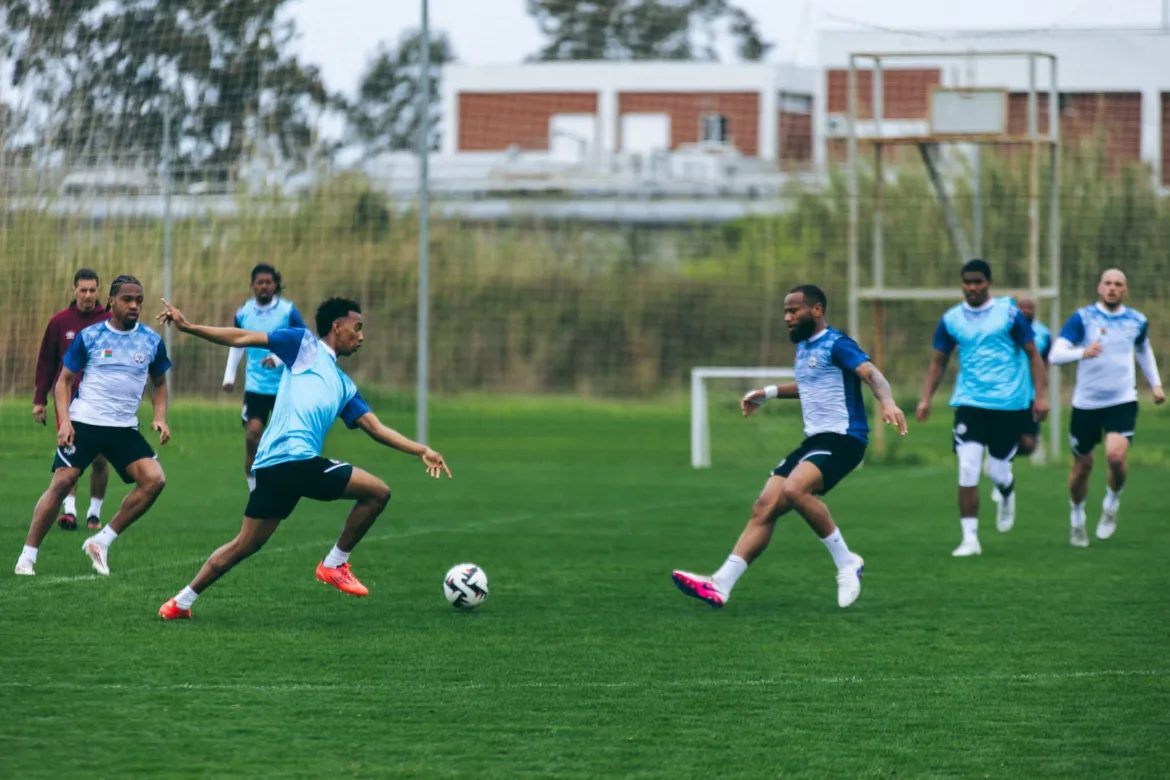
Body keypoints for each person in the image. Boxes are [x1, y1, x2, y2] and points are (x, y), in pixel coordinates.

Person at [155, 296, 453, 619]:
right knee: (378, 493)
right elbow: (243, 337)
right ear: (337, 326)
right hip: (294, 460)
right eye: (357, 327)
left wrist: (421, 450)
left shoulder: (344, 385)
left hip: (272, 467)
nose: (361, 336)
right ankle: (334, 564)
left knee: (245, 544)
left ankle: (179, 603)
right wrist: (190, 327)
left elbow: (375, 427)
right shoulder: (304, 345)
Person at [671, 285, 908, 610]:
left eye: (794, 310)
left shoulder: (837, 343)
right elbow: (809, 385)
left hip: (845, 438)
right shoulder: (804, 349)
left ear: (816, 310)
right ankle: (720, 583)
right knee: (764, 507)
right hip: (815, 441)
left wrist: (888, 402)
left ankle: (846, 562)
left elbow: (871, 373)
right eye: (785, 311)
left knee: (795, 490)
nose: (787, 317)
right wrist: (768, 393)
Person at [15, 276, 171, 577]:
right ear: (111, 301)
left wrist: (160, 416)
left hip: (123, 428)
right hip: (85, 422)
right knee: (62, 482)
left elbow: (160, 383)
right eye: (127, 299)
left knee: (155, 480)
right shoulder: (90, 336)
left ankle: (101, 541)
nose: (134, 305)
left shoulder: (151, 340)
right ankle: (27, 556)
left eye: (139, 300)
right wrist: (65, 422)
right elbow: (63, 382)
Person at [917, 259, 1048, 557]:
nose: (972, 287)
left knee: (998, 469)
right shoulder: (951, 319)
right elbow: (938, 361)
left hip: (1008, 404)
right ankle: (970, 539)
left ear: (988, 283)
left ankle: (1006, 489)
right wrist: (926, 398)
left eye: (978, 282)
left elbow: (1033, 355)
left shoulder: (1010, 314)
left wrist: (1040, 396)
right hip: (970, 403)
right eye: (967, 282)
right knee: (968, 466)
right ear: (962, 284)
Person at [1048, 269, 1164, 546]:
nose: (1112, 288)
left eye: (1118, 284)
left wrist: (1156, 384)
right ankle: (1077, 516)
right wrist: (1082, 352)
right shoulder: (1083, 318)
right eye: (1108, 283)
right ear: (1100, 288)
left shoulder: (1136, 320)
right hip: (1086, 404)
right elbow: (1055, 355)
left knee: (1115, 457)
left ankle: (1111, 503)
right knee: (1083, 466)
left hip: (1122, 400)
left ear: (1125, 290)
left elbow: (1143, 349)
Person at [33, 268, 111, 531]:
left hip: (101, 400)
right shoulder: (60, 322)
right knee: (70, 454)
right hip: (67, 399)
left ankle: (94, 513)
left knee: (100, 458)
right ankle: (69, 511)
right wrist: (39, 399)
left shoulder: (109, 321)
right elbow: (46, 361)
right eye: (83, 290)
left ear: (98, 291)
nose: (88, 295)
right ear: (74, 290)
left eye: (92, 290)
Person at [222, 264, 306, 493]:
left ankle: (285, 484)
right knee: (253, 435)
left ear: (275, 285)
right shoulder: (243, 313)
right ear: (252, 285)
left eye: (268, 282)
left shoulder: (288, 311)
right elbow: (237, 343)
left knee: (286, 441)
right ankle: (255, 489)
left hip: (285, 386)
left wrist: (278, 358)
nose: (264, 286)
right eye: (259, 282)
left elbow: (303, 340)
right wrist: (229, 376)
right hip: (256, 387)